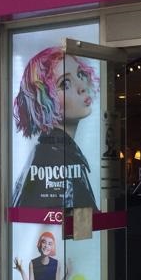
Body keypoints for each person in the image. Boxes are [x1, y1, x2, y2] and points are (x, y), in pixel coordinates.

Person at [11, 46, 99, 210]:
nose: (82, 86)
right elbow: (72, 221)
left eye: (80, 74)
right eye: (65, 83)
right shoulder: (55, 158)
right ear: (44, 100)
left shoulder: (54, 153)